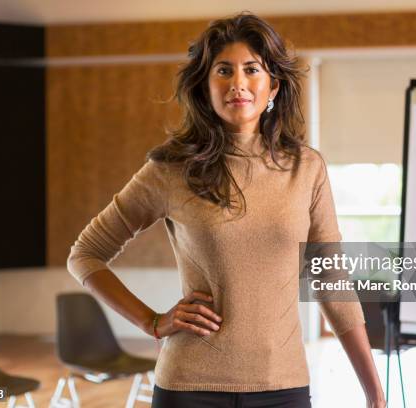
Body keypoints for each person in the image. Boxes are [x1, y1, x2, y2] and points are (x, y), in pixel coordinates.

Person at [67, 11, 386, 408]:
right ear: (204, 87)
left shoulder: (307, 168)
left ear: (273, 87)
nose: (238, 83)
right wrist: (151, 322)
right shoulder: (170, 169)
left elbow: (331, 280)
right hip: (189, 387)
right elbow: (85, 254)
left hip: (283, 387)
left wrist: (374, 390)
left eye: (252, 69)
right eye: (223, 71)